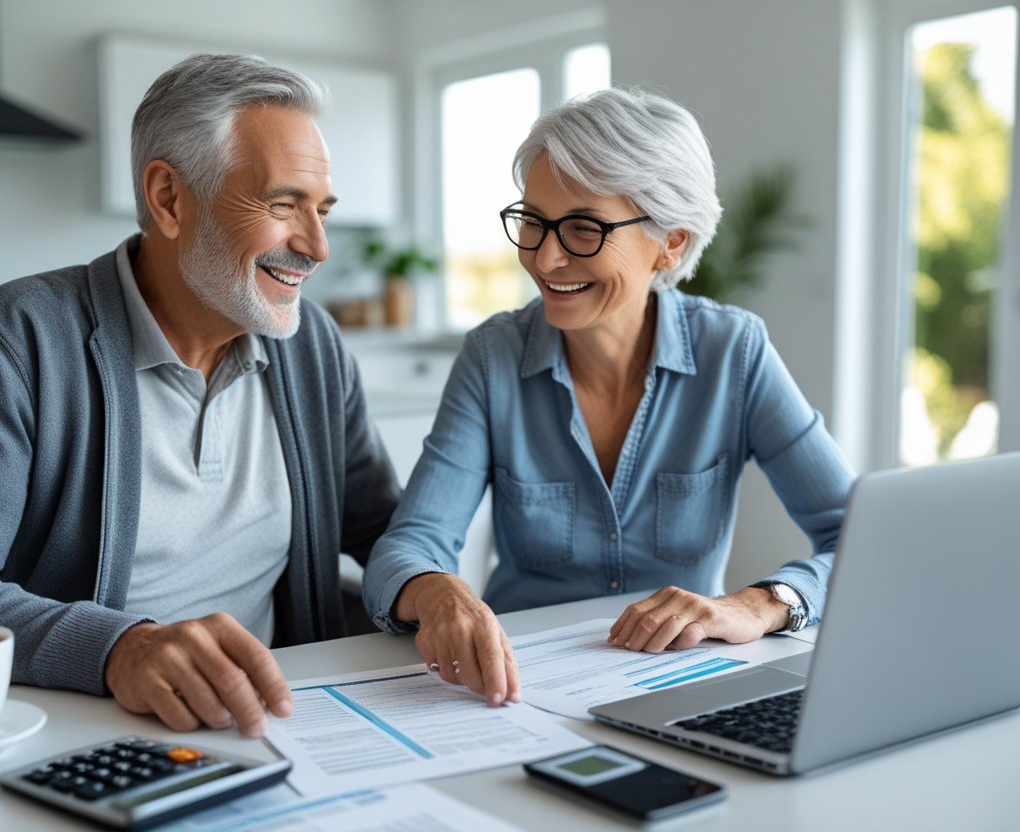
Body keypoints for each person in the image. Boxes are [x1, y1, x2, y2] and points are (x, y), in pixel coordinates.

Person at [0, 54, 401, 736]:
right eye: (283, 203)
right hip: (84, 732)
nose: (316, 245)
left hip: (281, 724)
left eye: (321, 210)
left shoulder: (310, 342)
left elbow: (384, 530)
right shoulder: (29, 333)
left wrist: (430, 585)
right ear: (170, 199)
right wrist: (118, 648)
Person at [362, 86, 854, 707]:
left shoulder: (735, 352)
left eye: (582, 229)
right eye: (533, 222)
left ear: (670, 242)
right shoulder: (494, 358)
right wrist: (441, 592)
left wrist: (761, 604)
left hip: (680, 690)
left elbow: (857, 536)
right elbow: (405, 549)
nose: (545, 257)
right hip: (516, 694)